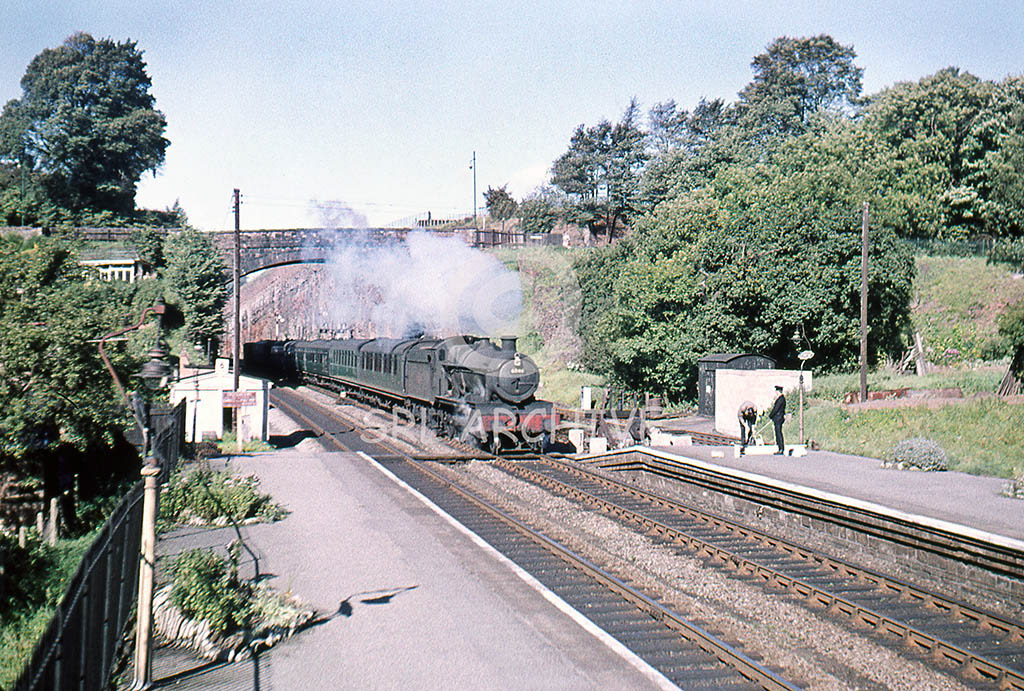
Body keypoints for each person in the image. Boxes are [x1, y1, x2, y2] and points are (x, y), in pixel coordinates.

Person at [769, 385, 787, 455]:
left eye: (776, 391)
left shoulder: (781, 399)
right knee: (778, 433)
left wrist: (771, 415)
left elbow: (776, 409)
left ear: (778, 391)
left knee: (778, 433)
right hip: (778, 417)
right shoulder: (781, 399)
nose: (775, 392)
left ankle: (781, 449)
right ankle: (780, 448)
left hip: (778, 418)